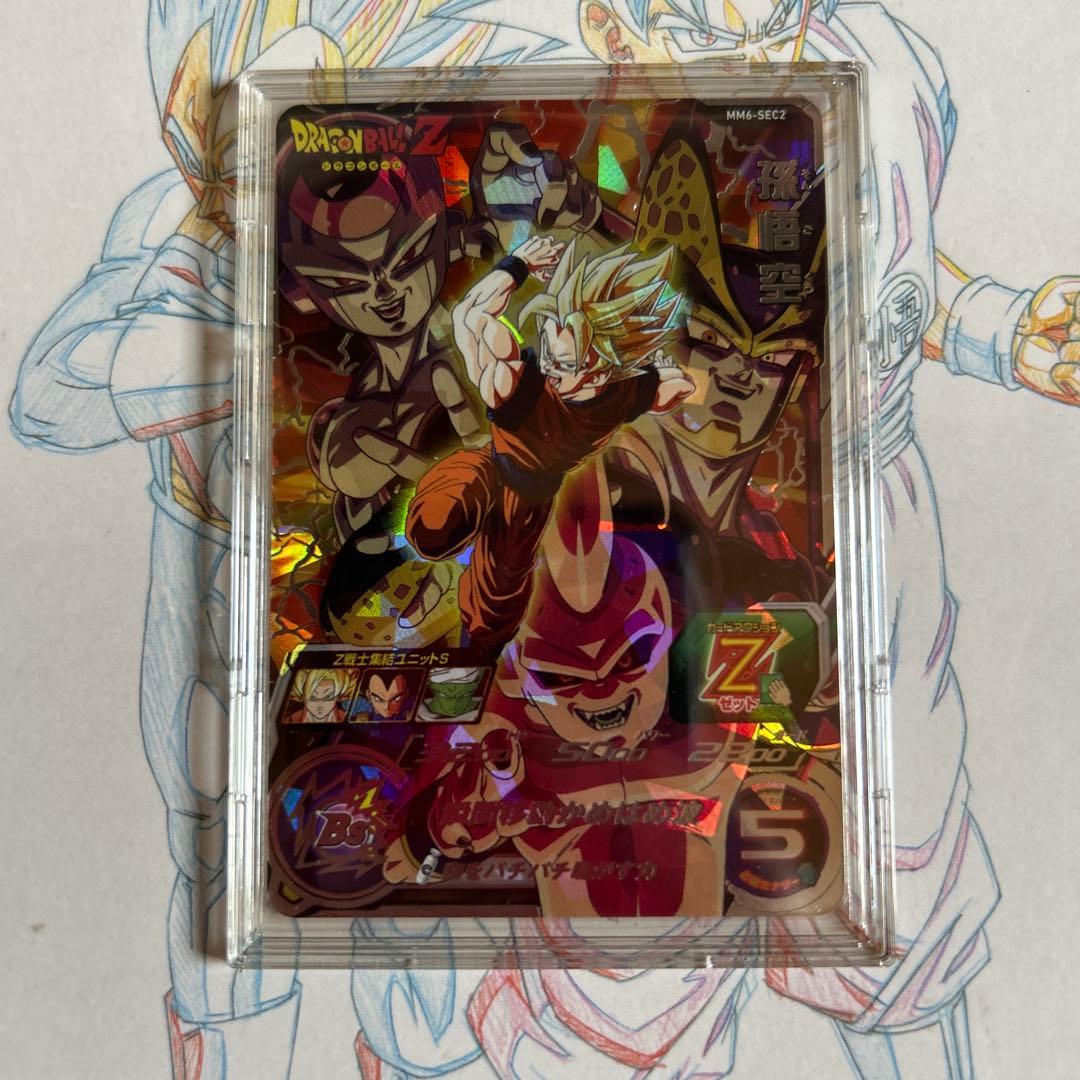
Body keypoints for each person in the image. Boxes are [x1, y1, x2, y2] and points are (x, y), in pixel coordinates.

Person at [405, 236, 695, 657]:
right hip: (488, 466)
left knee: (495, 607)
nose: (547, 367)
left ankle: (473, 661)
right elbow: (468, 316)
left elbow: (677, 388)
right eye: (547, 350)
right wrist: (517, 264)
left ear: (601, 372)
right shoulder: (517, 385)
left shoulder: (626, 392)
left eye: (563, 365)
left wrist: (670, 374)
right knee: (433, 527)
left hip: (529, 503)